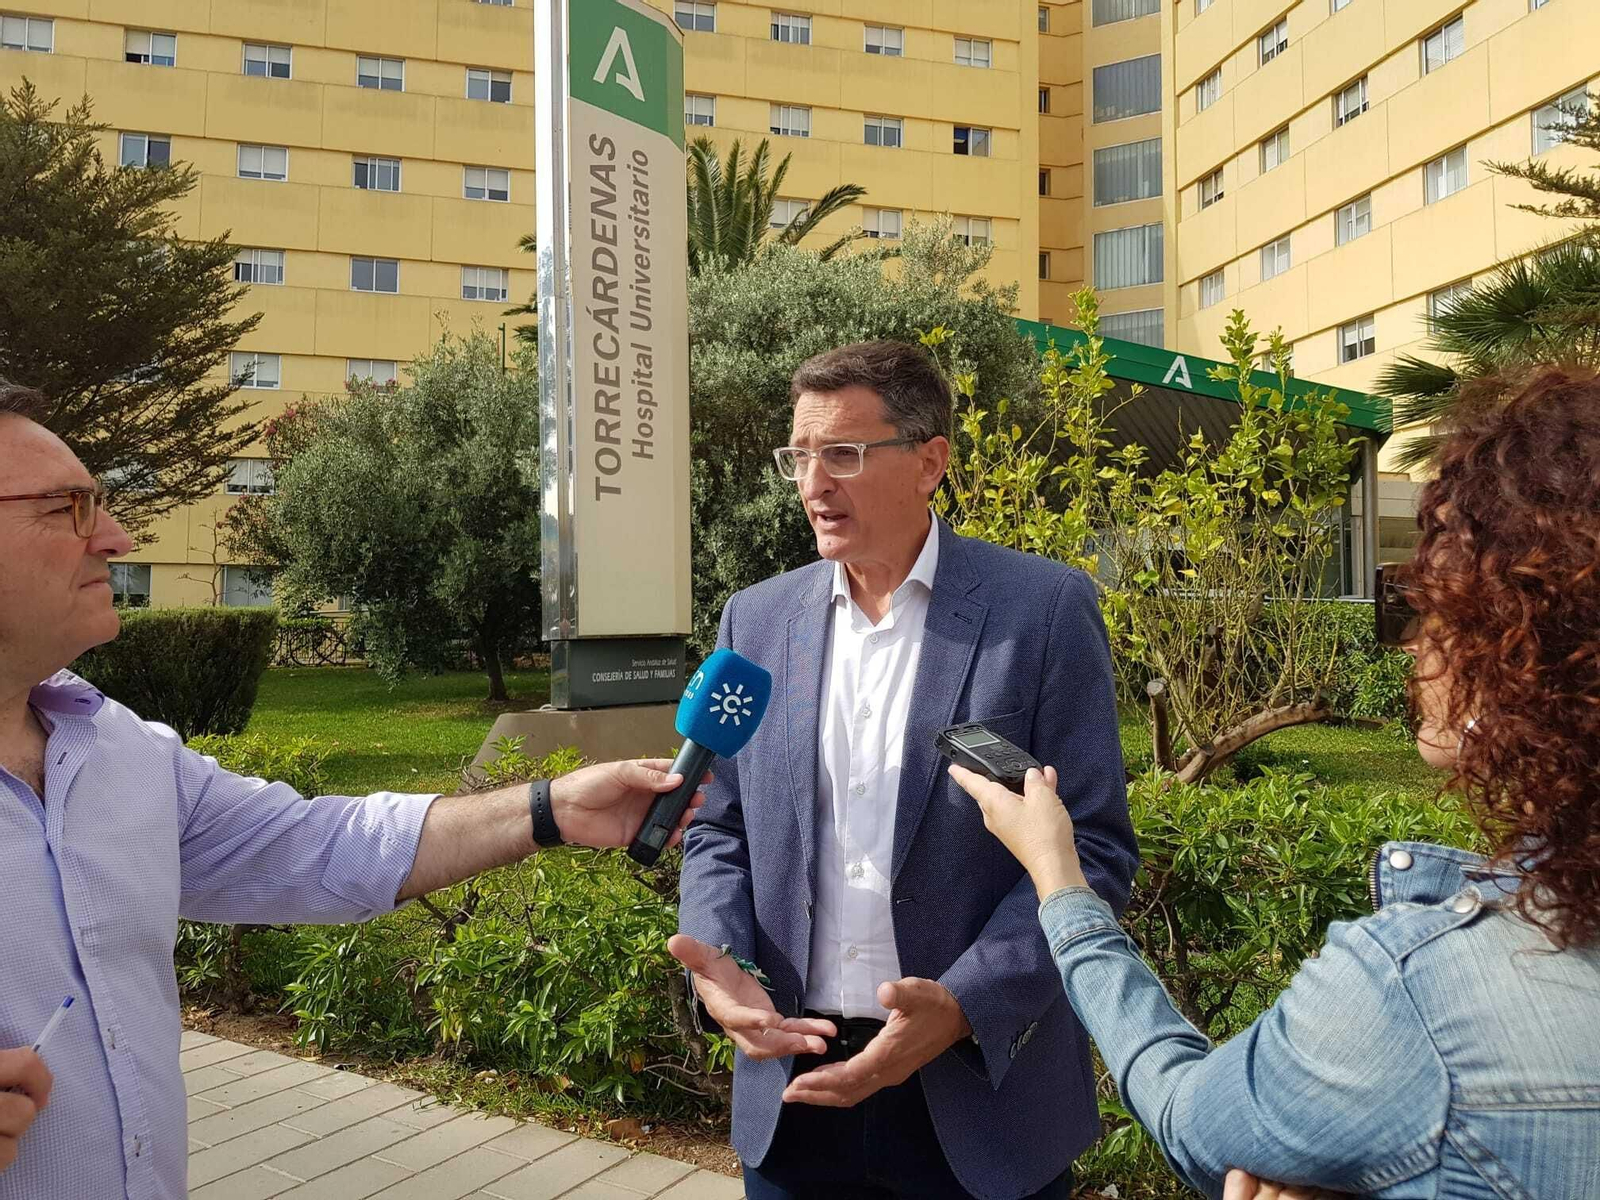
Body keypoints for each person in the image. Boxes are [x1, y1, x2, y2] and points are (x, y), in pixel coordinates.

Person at [0, 381, 706, 1199]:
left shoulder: (115, 747)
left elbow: (312, 846)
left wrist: (548, 808)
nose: (116, 538)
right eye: (68, 508)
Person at [950, 367, 1600, 1199]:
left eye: (1418, 599)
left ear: (1514, 642)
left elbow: (1192, 1118)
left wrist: (1059, 881)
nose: (1410, 642)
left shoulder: (1425, 994)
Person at [669, 340, 1141, 1199]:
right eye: (799, 456)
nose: (814, 484)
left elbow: (1095, 851)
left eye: (843, 454)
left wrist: (965, 1004)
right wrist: (722, 959)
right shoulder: (756, 620)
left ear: (930, 462)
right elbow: (721, 825)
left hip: (979, 1095)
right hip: (793, 1089)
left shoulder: (1040, 610)